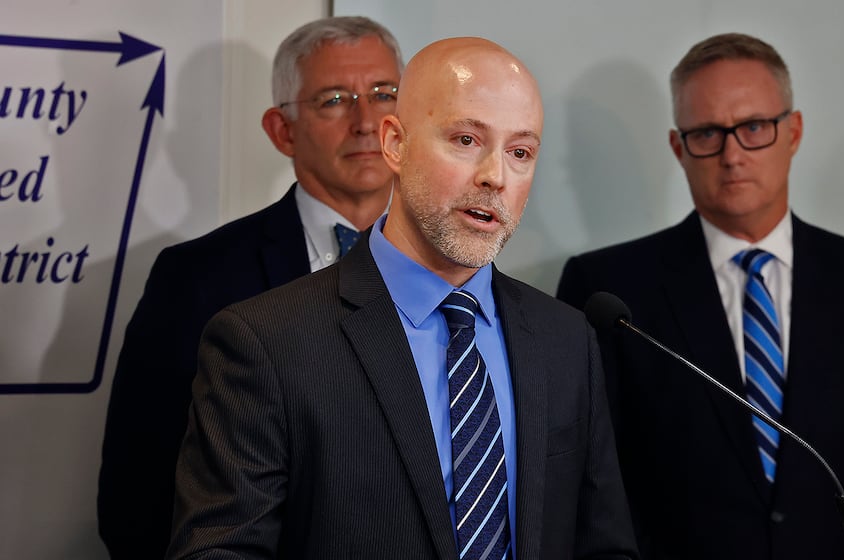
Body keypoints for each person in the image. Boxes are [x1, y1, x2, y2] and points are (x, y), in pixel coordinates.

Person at [165, 37, 638, 559]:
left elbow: (605, 547)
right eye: (465, 140)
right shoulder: (265, 343)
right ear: (394, 143)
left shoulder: (566, 338)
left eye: (520, 152)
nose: (495, 176)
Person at [557, 32, 844, 560]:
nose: (732, 154)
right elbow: (590, 485)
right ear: (679, 148)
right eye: (707, 133)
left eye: (753, 128)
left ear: (793, 131)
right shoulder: (606, 290)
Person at [97, 16, 403, 558]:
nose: (365, 121)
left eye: (384, 94)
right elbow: (136, 497)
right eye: (334, 99)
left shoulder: (458, 267)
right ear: (282, 129)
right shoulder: (196, 277)